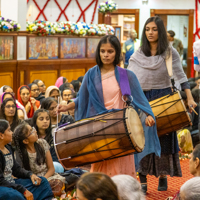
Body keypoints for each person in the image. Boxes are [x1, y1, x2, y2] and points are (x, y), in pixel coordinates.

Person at [57, 35, 160, 178]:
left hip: (122, 129)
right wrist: (66, 107)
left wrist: (148, 115)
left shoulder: (125, 75)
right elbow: (82, 99)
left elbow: (140, 99)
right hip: (99, 128)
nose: (106, 55)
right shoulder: (91, 74)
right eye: (103, 51)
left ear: (117, 52)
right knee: (100, 167)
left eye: (110, 51)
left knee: (121, 167)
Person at [128, 16, 196, 193]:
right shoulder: (137, 54)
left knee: (163, 138)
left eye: (154, 29)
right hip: (141, 100)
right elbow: (129, 79)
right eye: (147, 29)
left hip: (164, 98)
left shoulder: (169, 52)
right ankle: (142, 180)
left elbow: (181, 76)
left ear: (160, 31)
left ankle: (163, 175)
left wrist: (189, 97)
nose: (150, 32)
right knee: (140, 139)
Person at [0, 119, 53, 200]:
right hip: (3, 186)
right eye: (9, 130)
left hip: (12, 183)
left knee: (43, 182)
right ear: (1, 135)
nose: (12, 133)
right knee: (17, 196)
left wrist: (31, 175)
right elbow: (1, 181)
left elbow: (16, 170)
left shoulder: (8, 148)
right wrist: (22, 190)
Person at [13, 122, 65, 197]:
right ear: (25, 141)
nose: (35, 131)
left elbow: (51, 169)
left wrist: (43, 181)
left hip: (48, 177)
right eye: (31, 131)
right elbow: (21, 175)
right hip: (33, 181)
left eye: (33, 128)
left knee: (57, 183)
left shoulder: (42, 143)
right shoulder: (19, 153)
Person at [32, 109, 65, 173]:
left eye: (47, 119)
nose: (45, 121)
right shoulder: (31, 136)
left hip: (55, 164)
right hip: (37, 165)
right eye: (41, 119)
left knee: (55, 166)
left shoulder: (54, 134)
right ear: (35, 121)